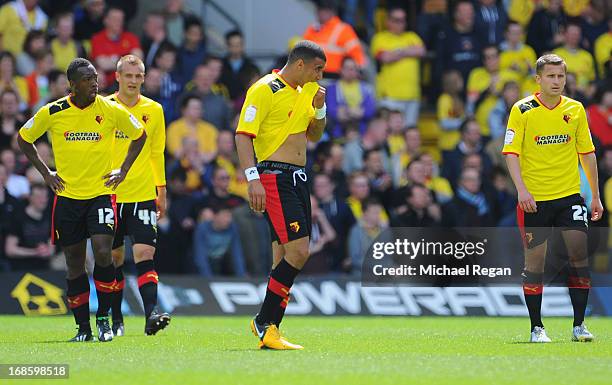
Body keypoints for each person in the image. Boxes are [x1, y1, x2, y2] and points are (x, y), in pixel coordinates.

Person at [17, 58, 147, 342]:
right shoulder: (54, 111)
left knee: (103, 252)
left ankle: (103, 318)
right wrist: (46, 173)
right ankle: (83, 329)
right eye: (87, 79)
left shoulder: (111, 109)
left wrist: (123, 170)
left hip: (100, 194)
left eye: (96, 78)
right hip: (67, 198)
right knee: (74, 263)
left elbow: (140, 134)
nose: (94, 83)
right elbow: (24, 138)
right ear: (72, 85)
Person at [502, 54, 602, 343]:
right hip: (535, 201)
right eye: (551, 76)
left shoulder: (576, 109)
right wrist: (522, 190)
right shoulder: (522, 110)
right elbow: (511, 153)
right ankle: (537, 328)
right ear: (538, 79)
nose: (557, 81)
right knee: (535, 266)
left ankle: (579, 326)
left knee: (579, 259)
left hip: (570, 196)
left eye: (561, 76)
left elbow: (587, 153)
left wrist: (594, 195)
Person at [235, 40, 326, 350]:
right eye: (317, 69)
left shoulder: (309, 91)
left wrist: (321, 109)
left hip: (299, 177)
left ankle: (271, 330)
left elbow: (314, 134)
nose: (320, 76)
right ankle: (263, 321)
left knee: (282, 257)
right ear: (300, 64)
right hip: (274, 176)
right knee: (300, 252)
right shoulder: (264, 89)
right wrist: (253, 179)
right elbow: (242, 136)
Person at [106, 55, 170, 337]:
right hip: (109, 195)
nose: (133, 81)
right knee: (114, 259)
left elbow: (157, 152)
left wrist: (162, 189)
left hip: (143, 193)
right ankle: (116, 316)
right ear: (117, 77)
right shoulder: (104, 107)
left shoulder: (154, 110)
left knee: (145, 254)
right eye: (128, 76)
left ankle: (151, 314)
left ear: (144, 78)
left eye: (138, 76)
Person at [370, 6, 425, 127]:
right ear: (388, 21)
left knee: (409, 131)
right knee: (389, 131)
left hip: (412, 95)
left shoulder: (412, 36)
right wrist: (408, 51)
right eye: (397, 20)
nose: (400, 23)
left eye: (403, 20)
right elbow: (385, 58)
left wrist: (397, 52)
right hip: (390, 96)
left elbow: (421, 51)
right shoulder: (380, 38)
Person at [4, 183, 53, 270]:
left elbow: (51, 246)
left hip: (46, 265)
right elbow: (10, 250)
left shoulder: (49, 216)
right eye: (39, 197)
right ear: (30, 197)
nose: (43, 200)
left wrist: (47, 251)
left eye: (45, 197)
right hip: (21, 267)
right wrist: (35, 252)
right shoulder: (18, 218)